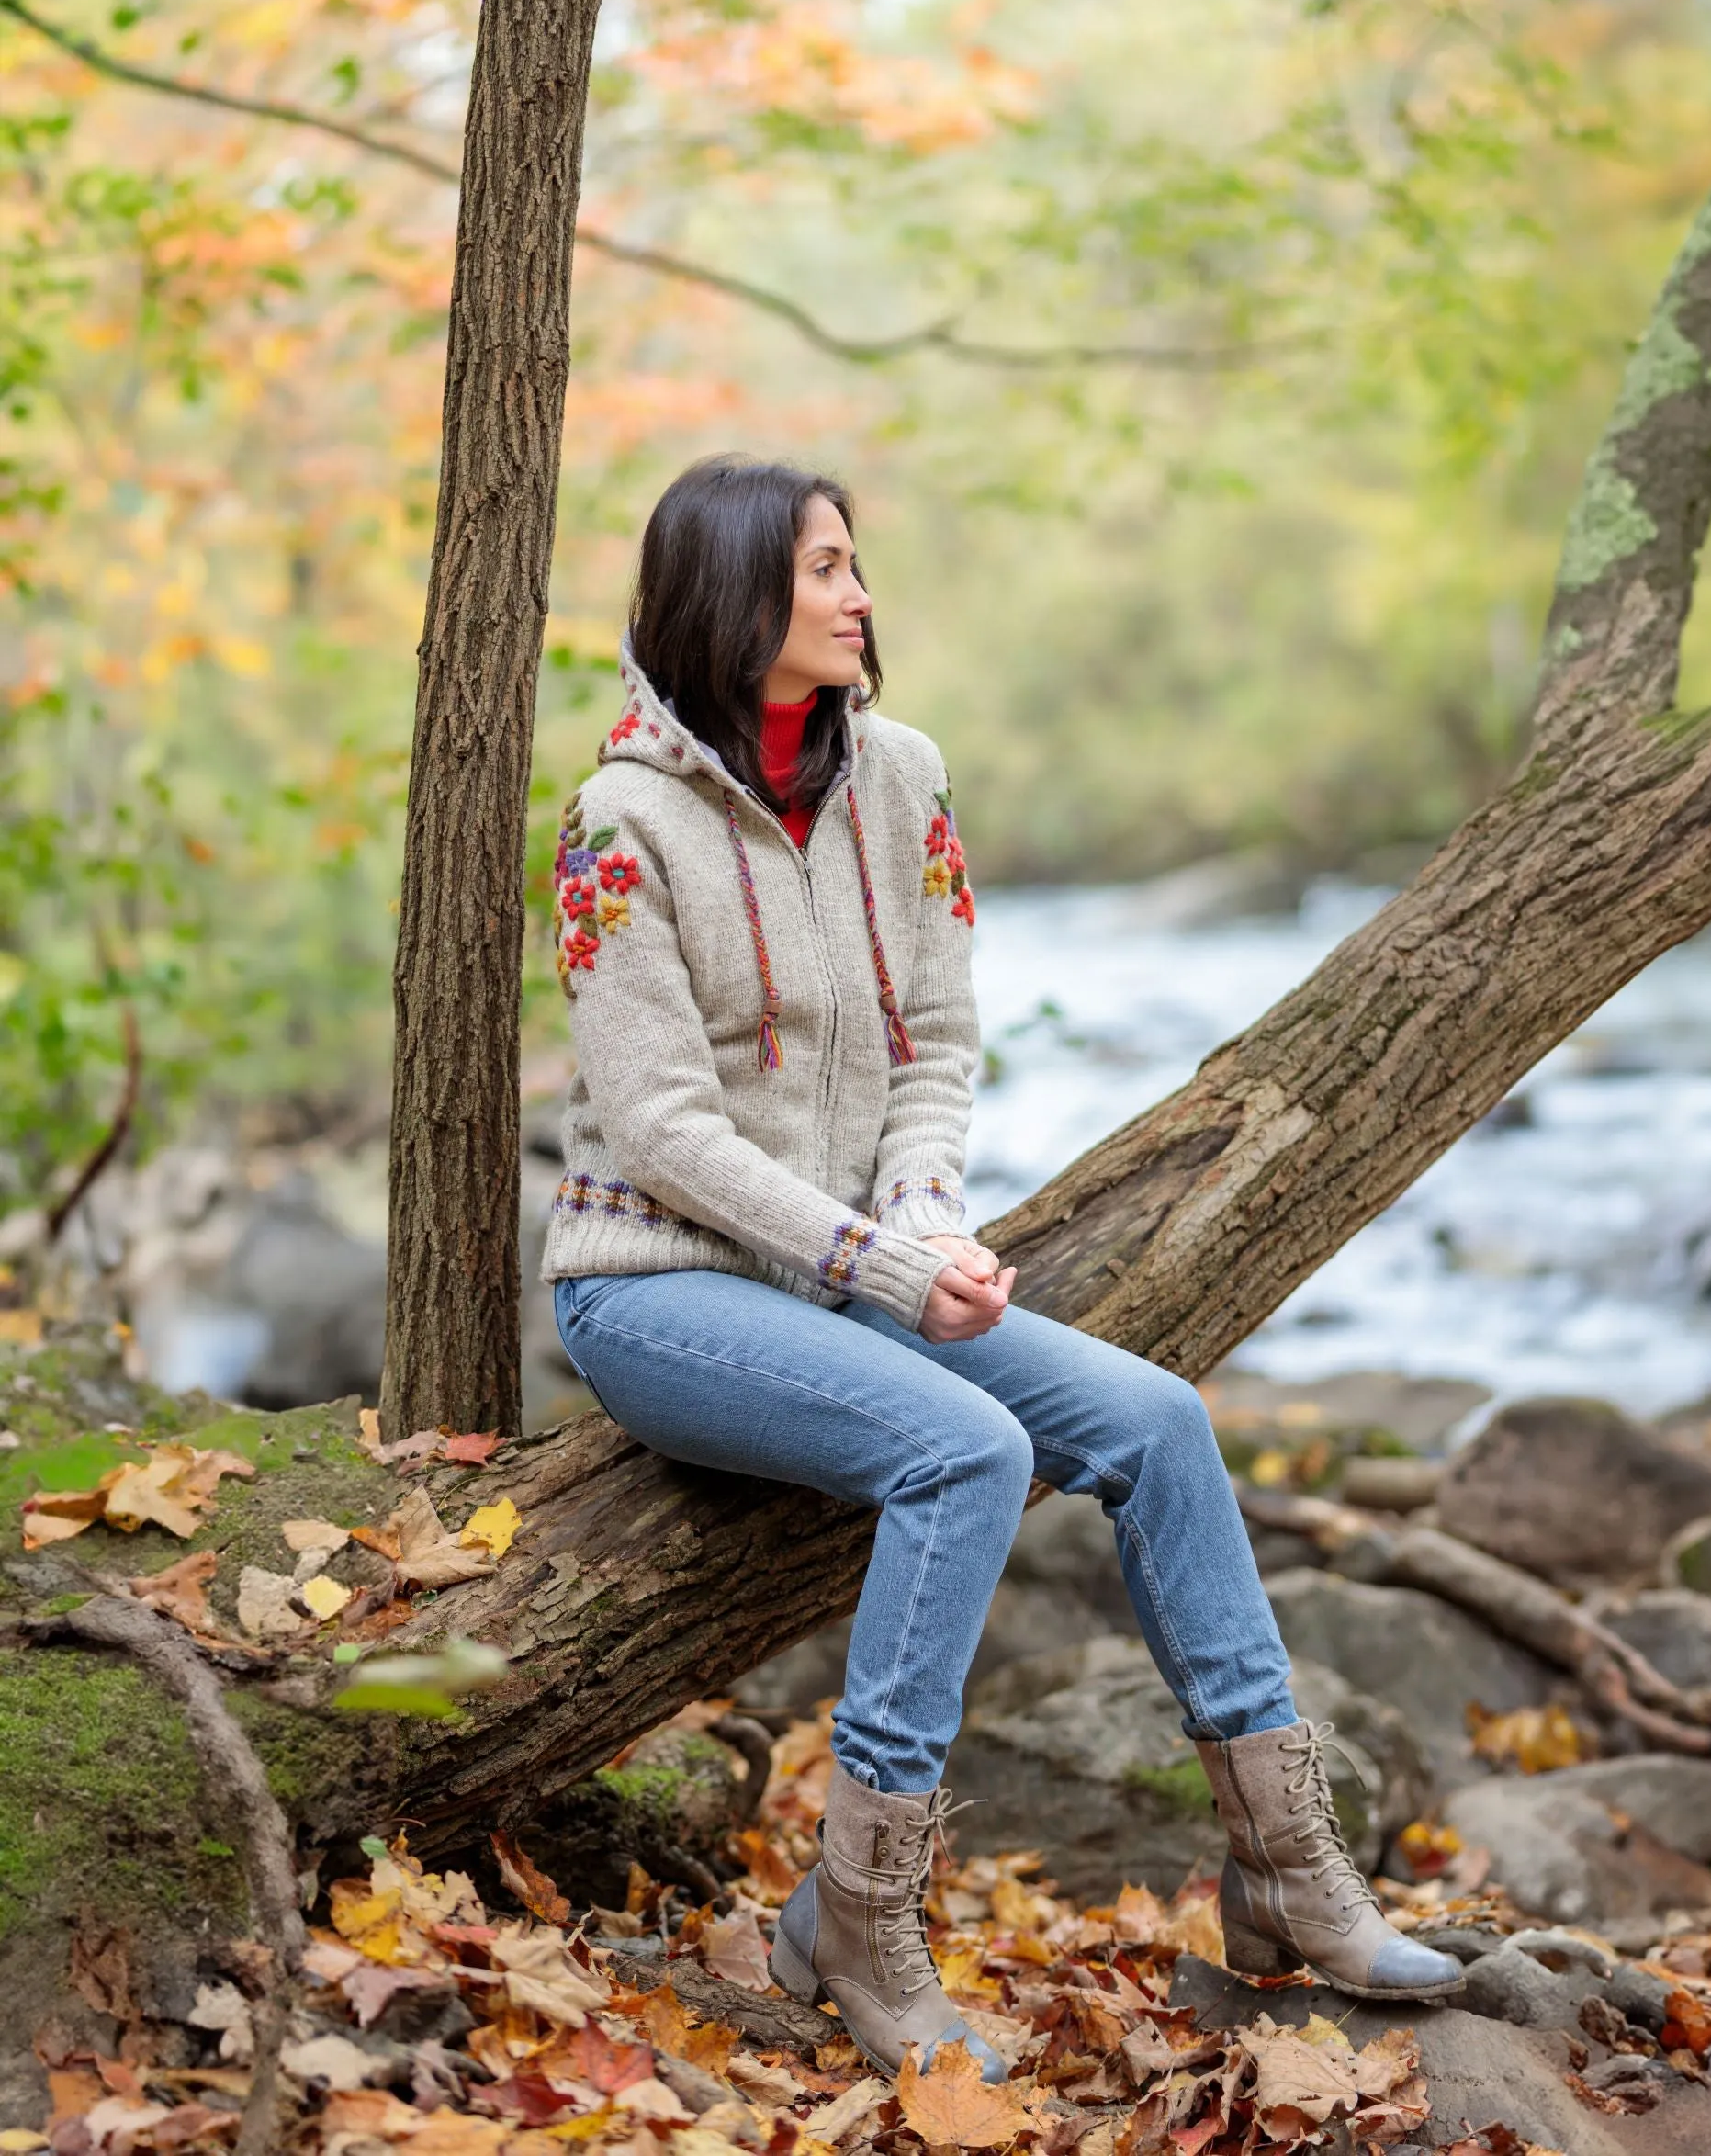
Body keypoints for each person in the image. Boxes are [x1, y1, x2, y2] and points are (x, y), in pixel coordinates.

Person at [544, 456, 1461, 2083]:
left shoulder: (904, 779)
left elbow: (937, 1041)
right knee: (966, 1450)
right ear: (732, 594)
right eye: (823, 568)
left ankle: (1287, 1874)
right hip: (658, 1287)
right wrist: (884, 1270)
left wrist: (925, 1215)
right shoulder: (619, 823)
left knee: (1162, 1421)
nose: (857, 595)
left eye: (856, 564)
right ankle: (862, 1917)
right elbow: (663, 1128)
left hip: (845, 1267)